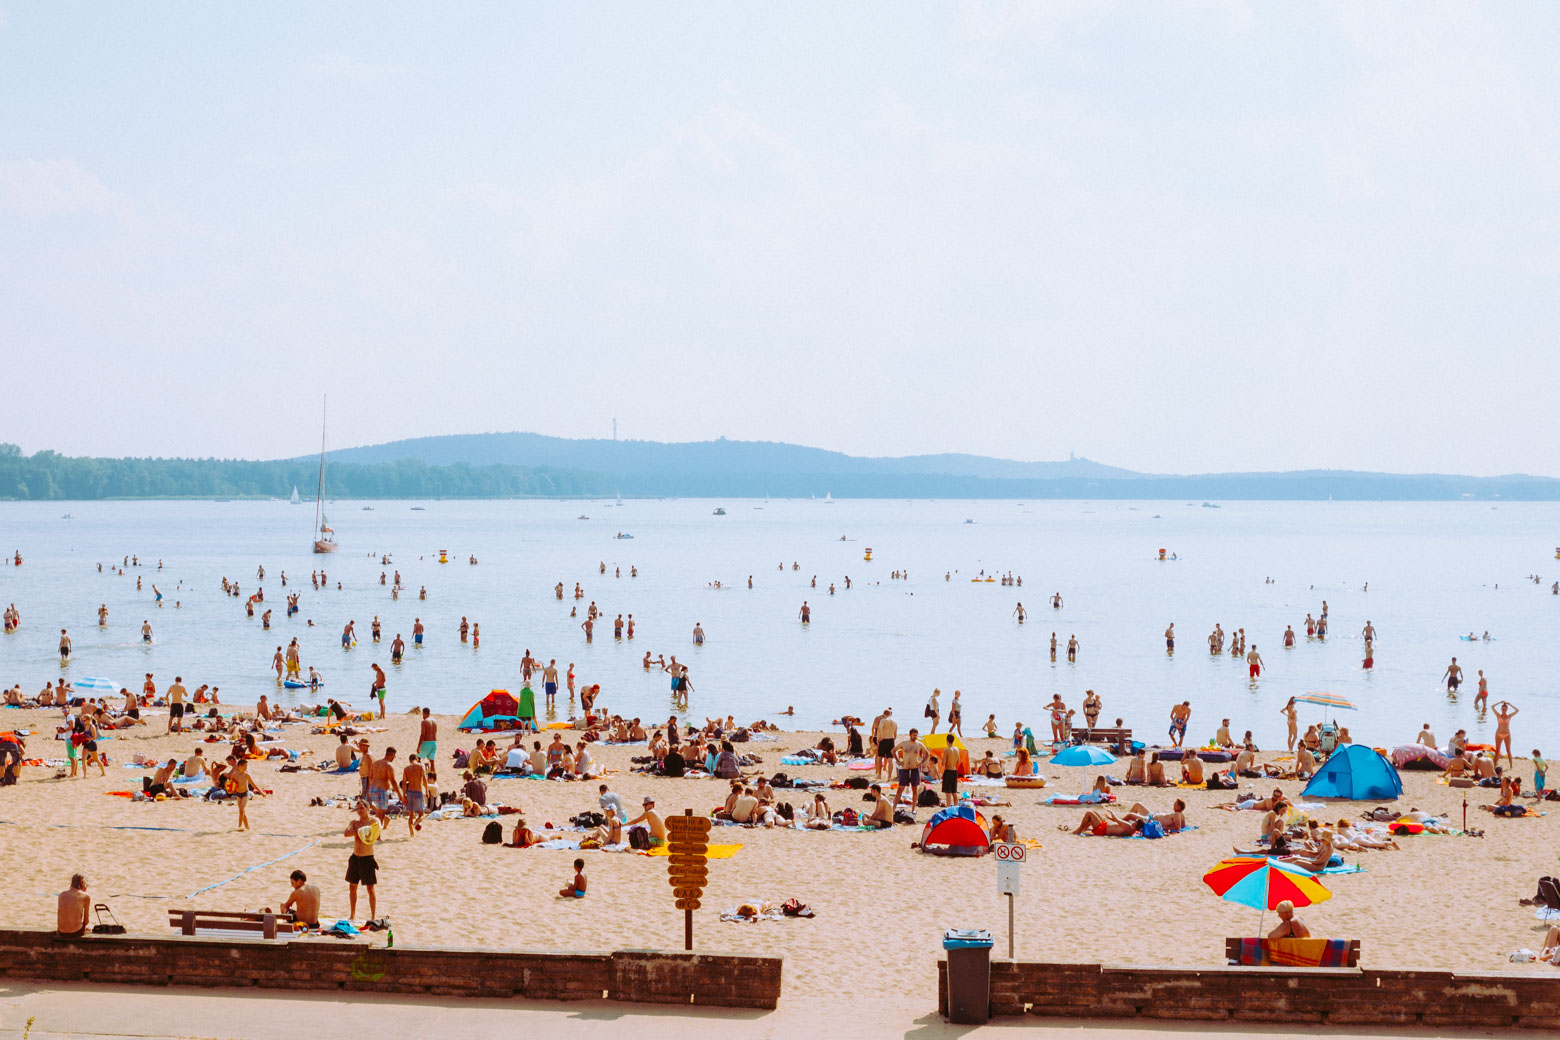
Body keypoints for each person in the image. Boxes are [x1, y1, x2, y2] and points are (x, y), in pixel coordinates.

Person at [344, 801, 381, 925]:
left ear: (368, 808)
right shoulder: (354, 823)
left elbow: (376, 832)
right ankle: (352, 914)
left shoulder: (374, 821)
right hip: (355, 858)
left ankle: (373, 915)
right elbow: (346, 833)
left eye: (362, 808)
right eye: (358, 808)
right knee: (352, 886)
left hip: (367, 858)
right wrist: (359, 831)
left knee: (370, 888)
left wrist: (362, 831)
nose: (359, 810)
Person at [893, 728, 927, 805]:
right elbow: (893, 751)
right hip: (905, 768)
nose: (915, 737)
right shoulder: (904, 743)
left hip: (915, 768)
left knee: (915, 789)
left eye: (916, 735)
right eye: (914, 735)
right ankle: (894, 807)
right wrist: (898, 760)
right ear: (910, 735)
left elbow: (927, 753)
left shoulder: (919, 744)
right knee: (900, 789)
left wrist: (921, 762)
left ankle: (913, 808)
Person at [401, 754, 428, 836]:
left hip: (409, 792)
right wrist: (427, 791)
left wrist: (404, 795)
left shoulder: (406, 769)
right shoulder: (420, 766)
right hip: (418, 791)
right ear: (417, 759)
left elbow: (404, 784)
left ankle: (412, 834)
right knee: (421, 814)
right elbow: (424, 779)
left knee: (411, 815)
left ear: (409, 760)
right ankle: (415, 824)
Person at [1493, 701, 1519, 767]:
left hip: (1507, 734)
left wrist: (1510, 704)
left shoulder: (1509, 716)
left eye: (1505, 709)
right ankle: (1494, 765)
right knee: (1497, 751)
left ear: (1507, 709)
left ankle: (1511, 765)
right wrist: (1499, 702)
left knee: (1508, 750)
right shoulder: (1498, 715)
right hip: (1498, 734)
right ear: (1501, 709)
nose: (1504, 710)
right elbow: (1492, 707)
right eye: (1502, 709)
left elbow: (1517, 710)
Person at [417, 708, 438, 773]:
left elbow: (423, 735)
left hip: (426, 742)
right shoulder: (435, 721)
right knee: (432, 762)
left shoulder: (424, 722)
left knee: (418, 758)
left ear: (423, 713)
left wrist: (418, 746)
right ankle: (433, 778)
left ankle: (418, 775)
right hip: (434, 743)